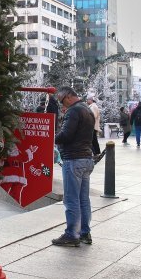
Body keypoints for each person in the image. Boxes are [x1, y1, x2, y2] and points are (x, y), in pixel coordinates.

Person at [51, 86, 95, 247]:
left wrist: (51, 137)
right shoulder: (87, 109)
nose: (63, 106)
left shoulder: (74, 111)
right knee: (83, 199)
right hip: (86, 159)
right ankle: (84, 232)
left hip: (74, 159)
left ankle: (72, 234)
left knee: (71, 199)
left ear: (69, 96)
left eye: (63, 101)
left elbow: (66, 135)